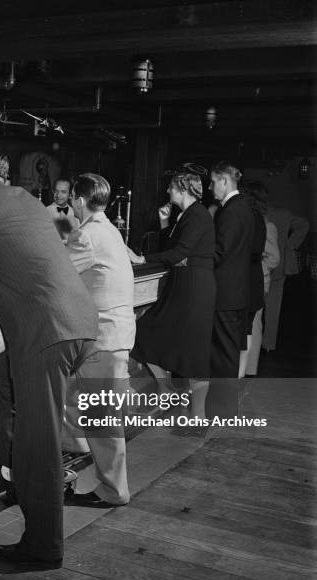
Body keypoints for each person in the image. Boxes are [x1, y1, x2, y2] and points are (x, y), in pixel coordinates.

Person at [0, 145, 98, 569]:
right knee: (2, 381)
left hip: (45, 334)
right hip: (79, 323)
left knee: (39, 442)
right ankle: (17, 474)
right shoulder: (27, 199)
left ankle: (43, 546)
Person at [63, 173, 135, 507]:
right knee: (80, 407)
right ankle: (65, 463)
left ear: (78, 199)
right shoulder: (111, 231)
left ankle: (113, 491)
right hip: (115, 335)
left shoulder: (87, 235)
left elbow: (56, 274)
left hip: (103, 339)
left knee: (102, 420)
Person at [128, 163, 215, 419]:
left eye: (171, 186)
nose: (167, 190)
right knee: (145, 333)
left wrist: (142, 259)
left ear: (183, 189)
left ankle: (198, 417)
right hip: (182, 286)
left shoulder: (197, 215)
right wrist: (165, 221)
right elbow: (174, 248)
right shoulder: (185, 215)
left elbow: (179, 253)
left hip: (194, 290)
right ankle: (166, 388)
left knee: (194, 354)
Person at [206, 161, 254, 417]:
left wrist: (196, 260)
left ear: (225, 181)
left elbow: (220, 252)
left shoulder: (232, 210)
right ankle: (224, 408)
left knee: (223, 354)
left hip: (225, 293)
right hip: (236, 291)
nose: (211, 187)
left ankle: (222, 410)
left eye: (213, 182)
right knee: (228, 352)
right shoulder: (244, 208)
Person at [239, 180, 279, 377]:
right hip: (248, 280)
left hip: (258, 281)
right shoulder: (251, 219)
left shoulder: (266, 224)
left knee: (253, 326)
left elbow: (274, 258)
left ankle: (249, 370)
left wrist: (258, 265)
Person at [262, 206, 309, 351]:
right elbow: (304, 224)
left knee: (256, 310)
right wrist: (290, 245)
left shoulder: (256, 212)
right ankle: (268, 344)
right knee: (273, 308)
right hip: (279, 265)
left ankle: (252, 345)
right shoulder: (283, 214)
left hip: (261, 265)